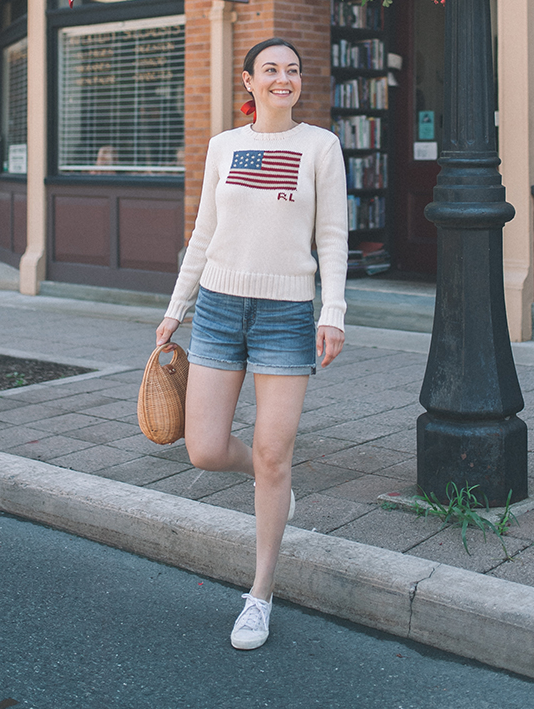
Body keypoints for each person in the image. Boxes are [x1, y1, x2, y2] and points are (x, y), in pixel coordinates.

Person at [156, 38, 348, 650]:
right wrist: (175, 309)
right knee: (205, 449)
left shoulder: (321, 146)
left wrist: (333, 311)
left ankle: (259, 594)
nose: (282, 79)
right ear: (249, 82)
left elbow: (333, 236)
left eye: (292, 70)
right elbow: (204, 233)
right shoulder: (224, 147)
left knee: (274, 454)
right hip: (217, 307)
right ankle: (275, 490)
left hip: (287, 313)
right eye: (270, 70)